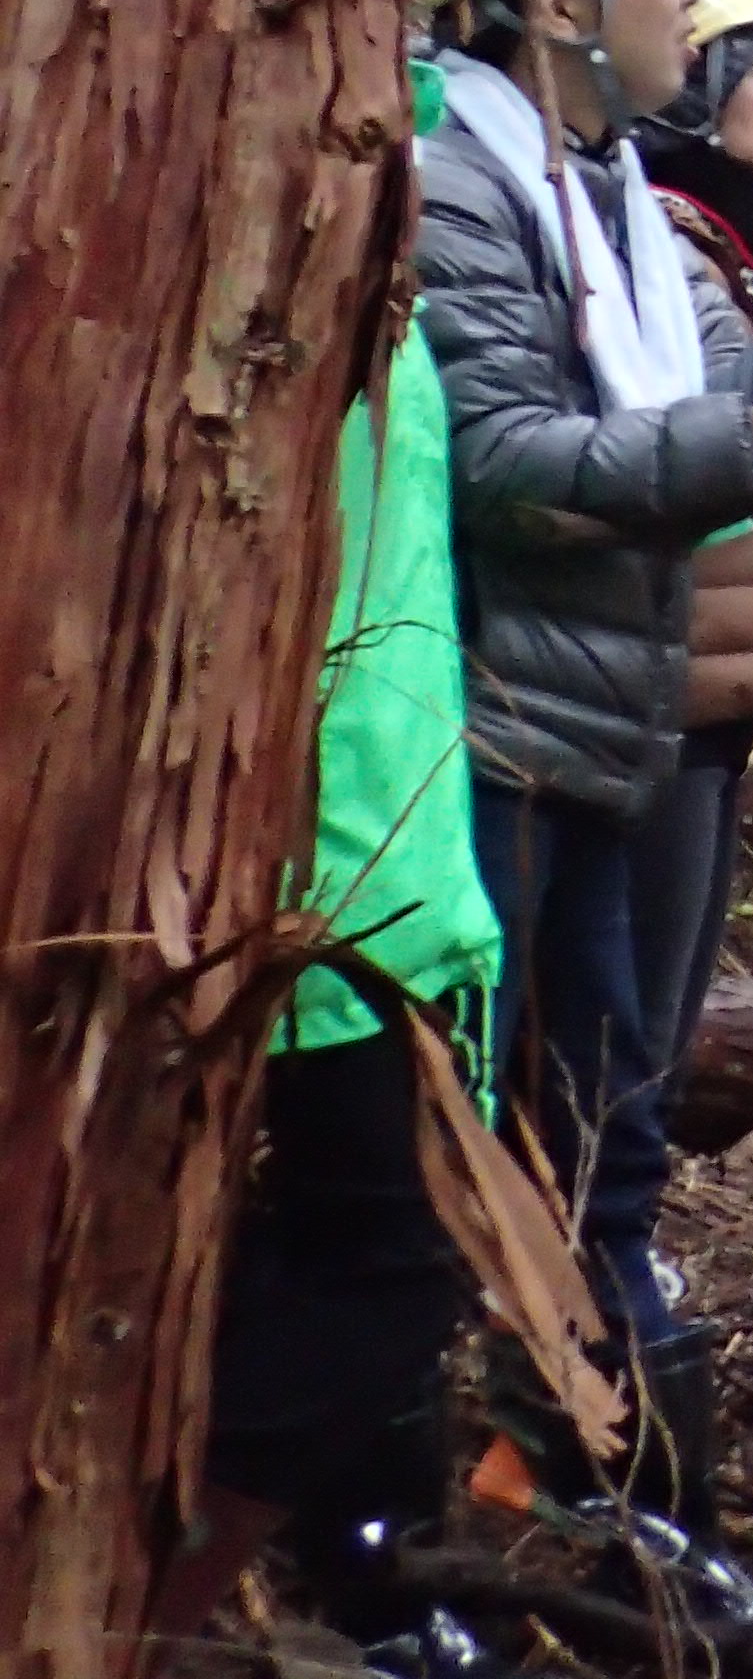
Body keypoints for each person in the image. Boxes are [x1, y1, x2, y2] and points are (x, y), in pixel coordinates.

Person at [413, 0, 753, 1640]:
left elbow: (708, 372)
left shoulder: (620, 187)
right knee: (450, 1160)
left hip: (608, 734)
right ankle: (404, 1546)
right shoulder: (458, 184)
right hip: (492, 744)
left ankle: (624, 1517)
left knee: (608, 1137)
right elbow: (511, 464)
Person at [158, 143, 506, 1676]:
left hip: (381, 849)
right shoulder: (262, 238)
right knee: (387, 1253)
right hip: (323, 865)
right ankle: (138, 1601)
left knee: (361, 1250)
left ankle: (241, 1585)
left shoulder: (383, 274)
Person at [629, 0, 753, 1108]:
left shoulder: (728, 252)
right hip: (667, 692)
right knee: (634, 1016)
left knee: (661, 999)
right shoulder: (676, 243)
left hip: (704, 691)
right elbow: (709, 431)